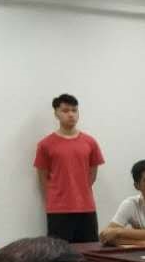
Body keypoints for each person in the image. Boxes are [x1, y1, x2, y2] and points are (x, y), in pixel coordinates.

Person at [34, 93, 105, 243]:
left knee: (89, 249)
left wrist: (80, 191)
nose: (71, 114)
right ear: (56, 113)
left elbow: (92, 174)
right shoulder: (45, 144)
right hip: (58, 209)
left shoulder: (90, 142)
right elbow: (42, 177)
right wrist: (56, 197)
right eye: (65, 110)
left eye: (74, 110)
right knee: (59, 252)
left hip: (86, 207)